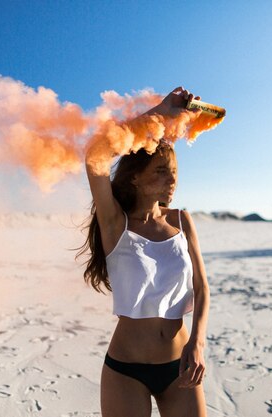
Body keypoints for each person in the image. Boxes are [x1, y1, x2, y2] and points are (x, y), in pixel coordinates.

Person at [77, 87, 210, 416]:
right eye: (161, 172)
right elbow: (95, 155)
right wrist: (161, 113)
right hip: (126, 370)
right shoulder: (114, 224)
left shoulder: (182, 221)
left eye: (174, 173)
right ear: (135, 178)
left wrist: (198, 343)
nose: (171, 181)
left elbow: (201, 287)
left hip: (180, 366)